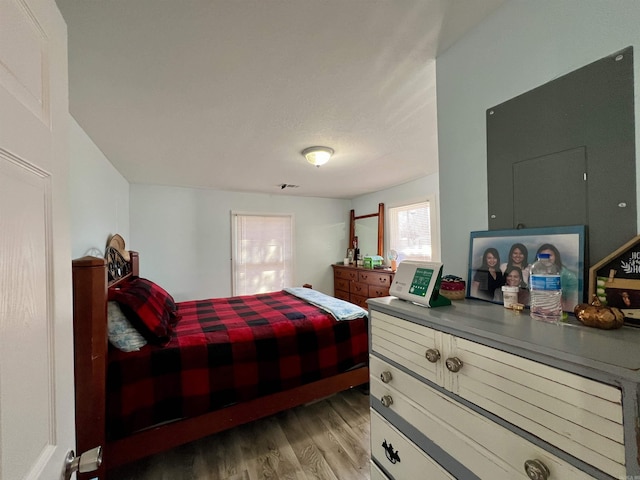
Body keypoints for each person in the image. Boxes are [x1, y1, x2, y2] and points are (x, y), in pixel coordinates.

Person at [535, 243, 578, 311]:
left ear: (556, 256)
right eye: (544, 256)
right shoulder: (535, 274)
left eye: (550, 255)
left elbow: (571, 304)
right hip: (538, 312)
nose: (547, 258)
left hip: (559, 313)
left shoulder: (569, 277)